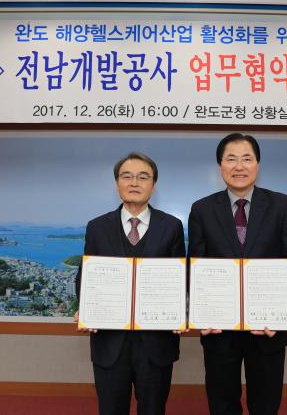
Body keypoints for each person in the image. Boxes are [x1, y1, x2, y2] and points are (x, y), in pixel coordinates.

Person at [187, 133, 287, 415]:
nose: (239, 166)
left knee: (265, 404)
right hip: (219, 330)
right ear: (220, 166)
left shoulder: (282, 205)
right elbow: (196, 265)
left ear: (257, 164)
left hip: (267, 329)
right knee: (221, 403)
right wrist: (203, 314)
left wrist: (281, 314)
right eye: (231, 159)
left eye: (246, 159)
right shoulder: (202, 209)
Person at [75, 152, 186, 415]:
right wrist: (86, 308)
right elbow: (86, 275)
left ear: (153, 185)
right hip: (109, 342)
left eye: (143, 177)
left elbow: (179, 277)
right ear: (117, 183)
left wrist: (182, 309)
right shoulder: (97, 227)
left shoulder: (171, 226)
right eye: (127, 176)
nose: (134, 182)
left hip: (156, 344)